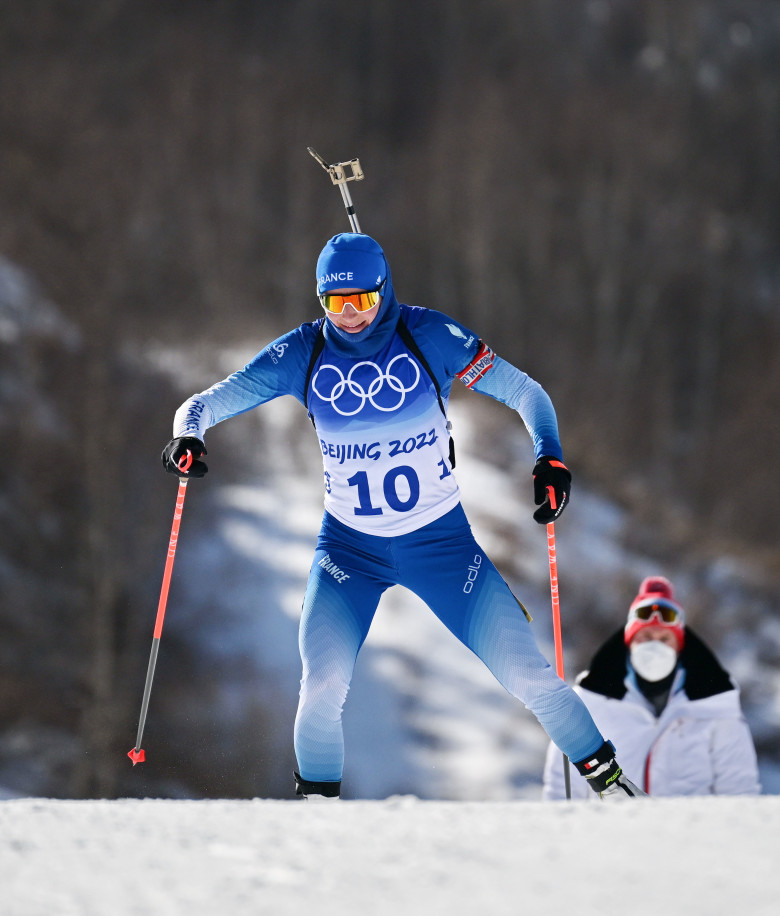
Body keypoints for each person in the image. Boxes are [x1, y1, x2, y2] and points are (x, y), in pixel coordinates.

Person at [162, 231, 643, 801]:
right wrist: (186, 436)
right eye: (334, 304)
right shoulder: (303, 353)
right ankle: (318, 816)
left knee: (529, 677)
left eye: (361, 301)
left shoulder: (429, 335)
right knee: (321, 687)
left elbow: (526, 392)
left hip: (441, 547)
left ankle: (612, 787)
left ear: (384, 290)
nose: (349, 317)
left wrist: (550, 457)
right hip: (348, 553)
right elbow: (204, 403)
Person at [543, 575, 760, 798]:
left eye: (664, 639)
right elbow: (562, 788)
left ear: (678, 645)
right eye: (645, 636)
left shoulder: (716, 704)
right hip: (612, 830)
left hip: (694, 829)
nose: (654, 646)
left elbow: (739, 790)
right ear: (629, 642)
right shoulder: (589, 699)